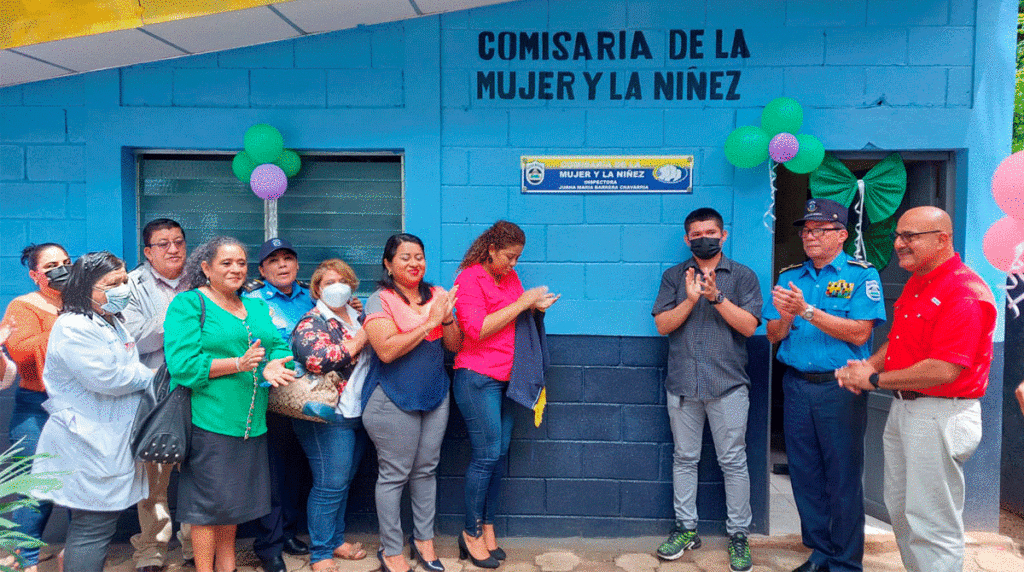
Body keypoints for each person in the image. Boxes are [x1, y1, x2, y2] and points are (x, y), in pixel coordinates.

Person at [836, 206, 996, 572]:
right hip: (906, 410)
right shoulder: (919, 280)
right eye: (898, 235)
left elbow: (943, 368)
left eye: (910, 236)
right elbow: (897, 341)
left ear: (942, 239)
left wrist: (874, 381)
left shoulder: (964, 291)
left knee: (932, 520)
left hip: (941, 412)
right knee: (903, 510)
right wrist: (869, 366)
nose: (898, 244)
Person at [764, 199, 886, 572]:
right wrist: (785, 317)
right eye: (806, 230)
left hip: (840, 389)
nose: (810, 236)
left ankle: (846, 561)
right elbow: (772, 336)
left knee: (842, 474)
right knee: (805, 472)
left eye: (820, 230)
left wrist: (808, 311)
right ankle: (819, 552)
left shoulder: (861, 275)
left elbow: (860, 331)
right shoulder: (789, 276)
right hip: (797, 386)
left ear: (842, 234)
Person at [164, 236, 296, 572]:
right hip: (209, 421)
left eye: (241, 263)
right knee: (208, 511)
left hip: (252, 424)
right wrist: (239, 363)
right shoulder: (189, 305)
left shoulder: (255, 307)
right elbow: (184, 367)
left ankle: (228, 566)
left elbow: (280, 348)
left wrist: (272, 365)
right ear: (206, 268)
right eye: (226, 263)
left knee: (232, 508)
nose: (236, 269)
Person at [651, 208, 761, 572]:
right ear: (687, 239)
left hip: (728, 386)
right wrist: (691, 299)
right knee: (685, 459)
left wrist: (716, 297)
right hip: (683, 386)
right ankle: (686, 528)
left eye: (710, 232)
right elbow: (663, 325)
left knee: (733, 461)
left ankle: (738, 535)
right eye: (696, 234)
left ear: (723, 235)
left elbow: (748, 327)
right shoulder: (673, 277)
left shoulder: (743, 276)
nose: (704, 238)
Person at [31, 251, 153, 572]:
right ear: (87, 287)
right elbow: (108, 377)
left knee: (96, 527)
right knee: (92, 529)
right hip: (86, 440)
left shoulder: (110, 321)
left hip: (106, 437)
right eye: (113, 283)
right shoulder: (74, 326)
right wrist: (152, 377)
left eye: (125, 281)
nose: (123, 289)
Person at [452, 221, 558, 568]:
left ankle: (487, 526)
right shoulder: (470, 279)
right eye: (510, 257)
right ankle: (469, 532)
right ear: (492, 250)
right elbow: (477, 328)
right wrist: (522, 303)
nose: (514, 265)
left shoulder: (510, 278)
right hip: (477, 377)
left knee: (498, 456)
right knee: (485, 455)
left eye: (518, 259)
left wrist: (535, 307)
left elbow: (515, 315)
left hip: (508, 379)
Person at [361, 233, 461, 572]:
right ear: (388, 264)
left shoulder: (438, 295)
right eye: (404, 257)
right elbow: (386, 350)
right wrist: (429, 322)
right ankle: (391, 549)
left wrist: (445, 318)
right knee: (394, 475)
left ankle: (424, 540)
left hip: (435, 396)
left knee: (426, 471)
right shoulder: (380, 300)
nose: (414, 263)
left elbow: (453, 345)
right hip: (391, 398)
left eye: (418, 256)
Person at [289, 259, 370, 572]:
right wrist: (363, 336)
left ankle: (335, 539)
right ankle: (320, 553)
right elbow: (320, 359)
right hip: (325, 413)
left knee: (343, 480)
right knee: (329, 483)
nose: (336, 287)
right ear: (316, 289)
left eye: (343, 281)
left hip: (358, 409)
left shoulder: (357, 315)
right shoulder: (311, 322)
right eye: (328, 282)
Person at [124, 218, 192, 572]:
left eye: (178, 241)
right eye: (163, 243)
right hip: (156, 392)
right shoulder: (130, 285)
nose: (173, 249)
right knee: (155, 476)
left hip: (202, 388)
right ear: (148, 252)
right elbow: (135, 337)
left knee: (200, 470)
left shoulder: (201, 279)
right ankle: (151, 550)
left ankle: (197, 543)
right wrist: (183, 316)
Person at [243, 237, 313, 572]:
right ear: (262, 269)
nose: (282, 265)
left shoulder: (310, 297)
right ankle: (268, 545)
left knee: (294, 469)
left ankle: (286, 531)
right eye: (273, 260)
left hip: (306, 396)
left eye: (288, 258)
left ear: (297, 265)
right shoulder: (251, 301)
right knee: (270, 472)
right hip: (269, 396)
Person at [2, 242, 71, 572]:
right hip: (36, 406)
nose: (62, 268)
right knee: (36, 486)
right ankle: (25, 559)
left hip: (78, 406)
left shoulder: (79, 299)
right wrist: (67, 322)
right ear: (35, 275)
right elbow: (23, 352)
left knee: (77, 483)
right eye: (52, 265)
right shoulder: (22, 306)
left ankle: (75, 554)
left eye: (66, 261)